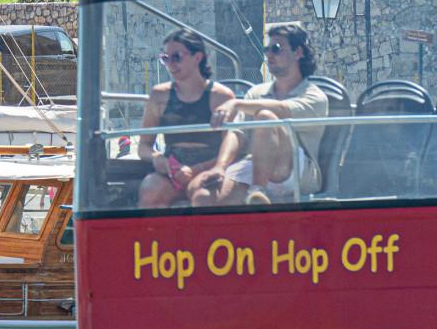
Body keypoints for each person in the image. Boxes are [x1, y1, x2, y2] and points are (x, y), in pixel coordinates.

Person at [190, 23, 328, 205]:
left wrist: (237, 103)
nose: (269, 54)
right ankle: (252, 198)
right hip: (256, 163)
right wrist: (220, 167)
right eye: (266, 49)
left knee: (265, 117)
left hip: (295, 171)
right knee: (203, 198)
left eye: (276, 48)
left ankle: (257, 191)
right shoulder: (256, 94)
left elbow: (282, 109)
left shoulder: (315, 97)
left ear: (298, 52)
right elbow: (238, 134)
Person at [135, 31, 237, 209]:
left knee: (202, 196)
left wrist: (198, 169)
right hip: (171, 168)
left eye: (176, 57)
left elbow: (233, 146)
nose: (171, 64)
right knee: (150, 190)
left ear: (197, 57)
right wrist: (157, 159)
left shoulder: (221, 96)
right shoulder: (159, 95)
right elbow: (144, 146)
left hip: (209, 165)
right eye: (165, 58)